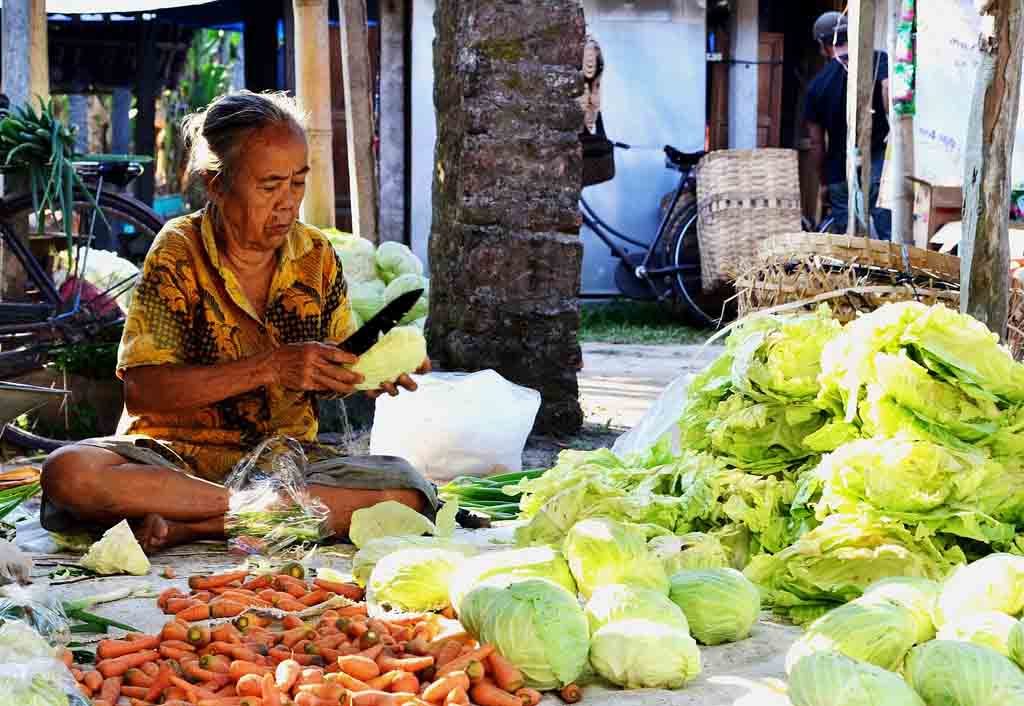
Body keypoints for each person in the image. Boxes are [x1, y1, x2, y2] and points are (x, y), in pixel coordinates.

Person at [40, 91, 435, 553]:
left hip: (285, 462)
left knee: (406, 494)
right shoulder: (179, 250)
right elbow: (144, 391)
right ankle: (247, 510)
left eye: (297, 183)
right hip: (170, 463)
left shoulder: (316, 256)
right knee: (69, 472)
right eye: (269, 187)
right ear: (216, 183)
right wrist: (269, 367)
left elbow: (326, 373)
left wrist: (361, 374)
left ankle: (197, 525)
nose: (287, 203)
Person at [804, 11, 892, 240]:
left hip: (839, 172)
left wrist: (823, 181)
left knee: (849, 244)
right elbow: (888, 89)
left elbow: (816, 142)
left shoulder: (816, 86)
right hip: (878, 168)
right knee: (888, 237)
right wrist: (890, 125)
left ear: (824, 46)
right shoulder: (877, 60)